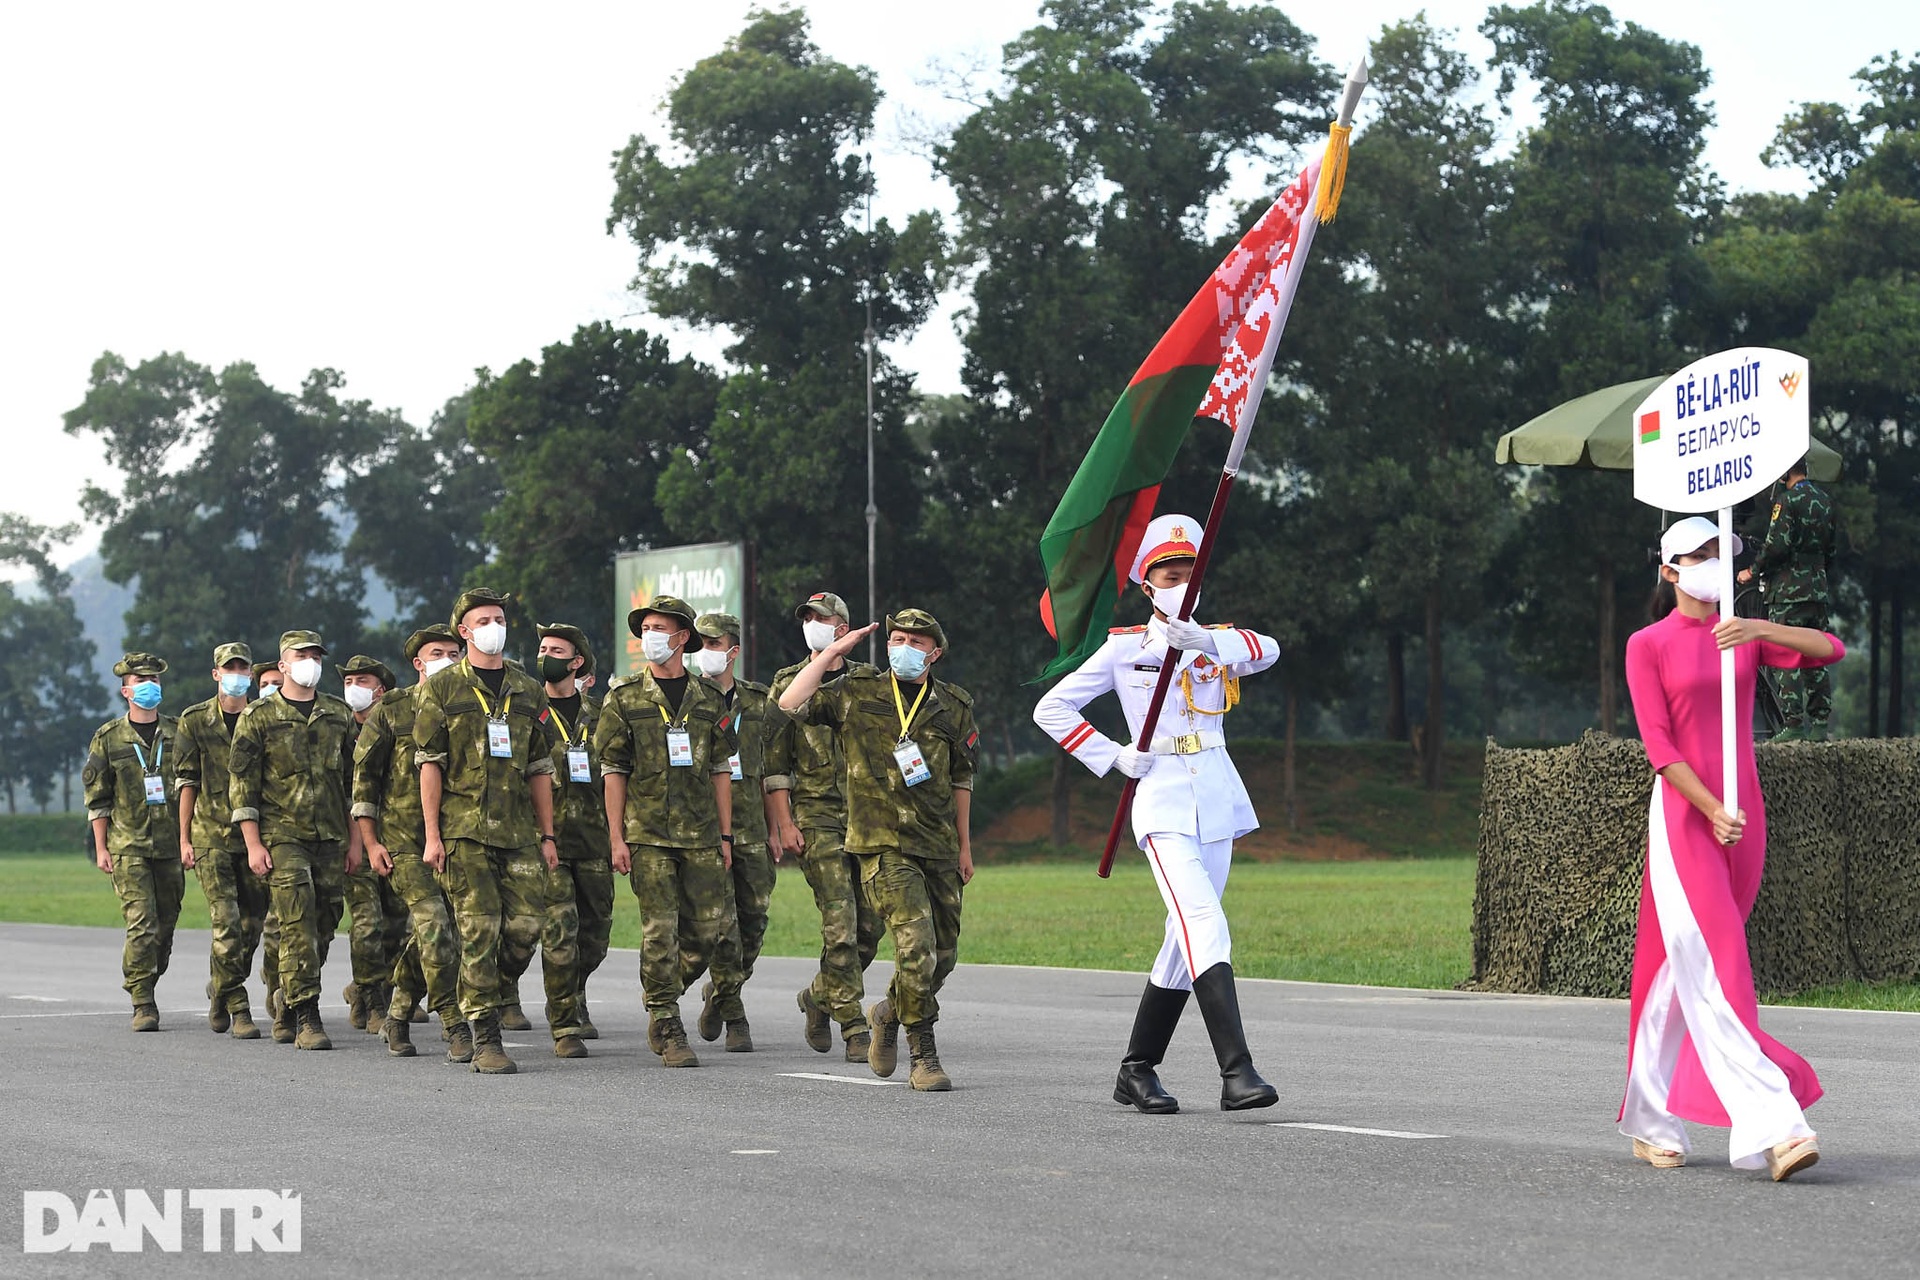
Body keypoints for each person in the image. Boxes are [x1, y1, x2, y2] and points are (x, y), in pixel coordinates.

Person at [1032, 513, 1282, 1114]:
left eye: (1189, 572)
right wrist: (1114, 755)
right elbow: (1052, 708)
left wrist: (1204, 642)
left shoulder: (1217, 640)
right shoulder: (1125, 648)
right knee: (1203, 921)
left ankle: (1136, 1069)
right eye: (1169, 574)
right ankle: (1237, 1070)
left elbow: (1268, 650)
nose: (1181, 582)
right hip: (1163, 800)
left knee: (1182, 936)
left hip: (1216, 799)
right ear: (1147, 585)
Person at [1621, 516, 1844, 1181]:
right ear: (1670, 571)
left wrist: (1757, 629)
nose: (1715, 563)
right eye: (1700, 555)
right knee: (1720, 964)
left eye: (1721, 553)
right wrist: (1710, 808)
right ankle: (1778, 1126)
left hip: (1744, 815)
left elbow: (1829, 648)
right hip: (1688, 816)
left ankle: (1650, 1118)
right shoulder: (1647, 644)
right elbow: (1660, 747)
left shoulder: (1739, 637)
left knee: (1679, 970)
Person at [778, 608, 976, 1092]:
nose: (903, 647)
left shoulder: (954, 704)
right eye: (896, 639)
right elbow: (790, 702)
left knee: (942, 955)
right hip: (881, 844)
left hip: (939, 844)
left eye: (915, 641)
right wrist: (831, 653)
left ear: (935, 653)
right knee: (916, 945)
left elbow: (961, 778)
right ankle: (923, 1053)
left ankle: (888, 1012)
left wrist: (965, 846)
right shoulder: (857, 691)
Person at [414, 587, 563, 1074]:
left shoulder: (527, 689)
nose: (493, 627)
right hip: (463, 831)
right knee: (480, 929)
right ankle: (485, 1037)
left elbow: (540, 767)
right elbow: (430, 765)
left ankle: (476, 994)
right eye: (483, 621)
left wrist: (547, 835)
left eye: (499, 619)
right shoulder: (442, 689)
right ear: (464, 631)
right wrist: (432, 836)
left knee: (524, 929)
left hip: (518, 832)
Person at [594, 595, 735, 1068]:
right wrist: (616, 838)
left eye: (660, 628)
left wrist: (726, 835)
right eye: (646, 628)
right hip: (647, 834)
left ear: (682, 637)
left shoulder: (708, 698)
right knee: (660, 929)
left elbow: (721, 768)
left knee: (708, 930)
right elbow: (614, 770)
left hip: (701, 833)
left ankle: (661, 993)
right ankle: (666, 1018)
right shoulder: (624, 697)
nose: (650, 636)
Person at [229, 630, 360, 1051]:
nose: (310, 663)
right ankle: (307, 1015)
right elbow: (242, 786)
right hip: (282, 836)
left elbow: (354, 784)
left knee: (324, 926)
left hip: (331, 836)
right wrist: (253, 843)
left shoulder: (337, 714)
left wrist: (356, 841)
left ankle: (286, 1000)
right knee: (297, 923)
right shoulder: (258, 716)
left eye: (316, 656)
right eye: (301, 656)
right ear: (282, 665)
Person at [766, 591, 883, 1061]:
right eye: (807, 618)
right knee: (841, 921)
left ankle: (818, 996)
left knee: (870, 928)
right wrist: (784, 822)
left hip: (867, 816)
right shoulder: (787, 683)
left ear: (843, 628)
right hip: (816, 816)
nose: (811, 624)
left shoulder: (869, 681)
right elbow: (774, 763)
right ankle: (854, 1025)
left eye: (821, 618)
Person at [352, 626, 468, 1061]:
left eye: (454, 653)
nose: (447, 661)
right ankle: (454, 1022)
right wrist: (371, 842)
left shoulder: (468, 706)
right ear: (418, 663)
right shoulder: (393, 709)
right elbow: (365, 781)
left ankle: (398, 1012)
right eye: (437, 654)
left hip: (458, 840)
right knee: (435, 927)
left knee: (444, 934)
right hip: (403, 843)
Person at [689, 609, 780, 1052]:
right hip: (703, 831)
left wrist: (778, 827)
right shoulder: (687, 700)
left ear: (733, 651)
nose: (705, 652)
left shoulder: (759, 703)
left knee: (754, 923)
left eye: (713, 644)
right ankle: (735, 1013)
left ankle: (720, 993)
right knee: (722, 928)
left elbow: (771, 771)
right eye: (700, 644)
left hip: (752, 830)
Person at [84, 653, 184, 1033]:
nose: (149, 686)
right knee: (142, 924)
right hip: (128, 846)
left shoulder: (178, 733)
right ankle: (143, 1000)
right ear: (126, 691)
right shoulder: (108, 738)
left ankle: (148, 979)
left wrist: (188, 839)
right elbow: (98, 799)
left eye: (154, 680)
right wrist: (102, 848)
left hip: (171, 846)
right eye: (141, 681)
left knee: (165, 927)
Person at [174, 641, 266, 1039]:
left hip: (253, 837)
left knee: (252, 926)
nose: (236, 675)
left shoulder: (263, 718)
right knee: (226, 923)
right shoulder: (195, 720)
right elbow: (187, 783)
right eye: (229, 668)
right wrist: (184, 839)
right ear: (216, 674)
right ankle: (239, 1006)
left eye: (243, 669)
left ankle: (221, 988)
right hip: (210, 835)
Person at [528, 620, 600, 1055]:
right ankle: (565, 1023)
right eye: (542, 649)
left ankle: (575, 991)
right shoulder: (526, 708)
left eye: (556, 651)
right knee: (559, 932)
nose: (545, 657)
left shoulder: (601, 714)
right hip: (546, 839)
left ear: (577, 663)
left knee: (595, 937)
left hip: (593, 837)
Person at [1738, 458, 1838, 740]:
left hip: (1787, 592)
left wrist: (1751, 571)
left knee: (1784, 652)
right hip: (1817, 590)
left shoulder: (1787, 501)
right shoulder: (1825, 501)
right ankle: (1820, 724)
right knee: (1816, 653)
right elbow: (1831, 550)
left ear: (1786, 472)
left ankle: (1793, 724)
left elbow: (1776, 547)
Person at [339, 654, 408, 1034]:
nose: (354, 689)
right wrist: (355, 844)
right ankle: (374, 1002)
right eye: (348, 682)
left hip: (396, 837)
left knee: (396, 926)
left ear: (380, 690)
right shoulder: (338, 729)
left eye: (362, 681)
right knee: (367, 923)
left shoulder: (397, 726)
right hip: (355, 840)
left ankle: (368, 989)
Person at [252, 658, 287, 1013]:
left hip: (296, 837)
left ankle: (279, 981)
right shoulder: (254, 721)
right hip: (244, 839)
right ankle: (231, 991)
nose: (271, 689)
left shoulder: (325, 716)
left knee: (309, 921)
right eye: (265, 684)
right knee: (246, 926)